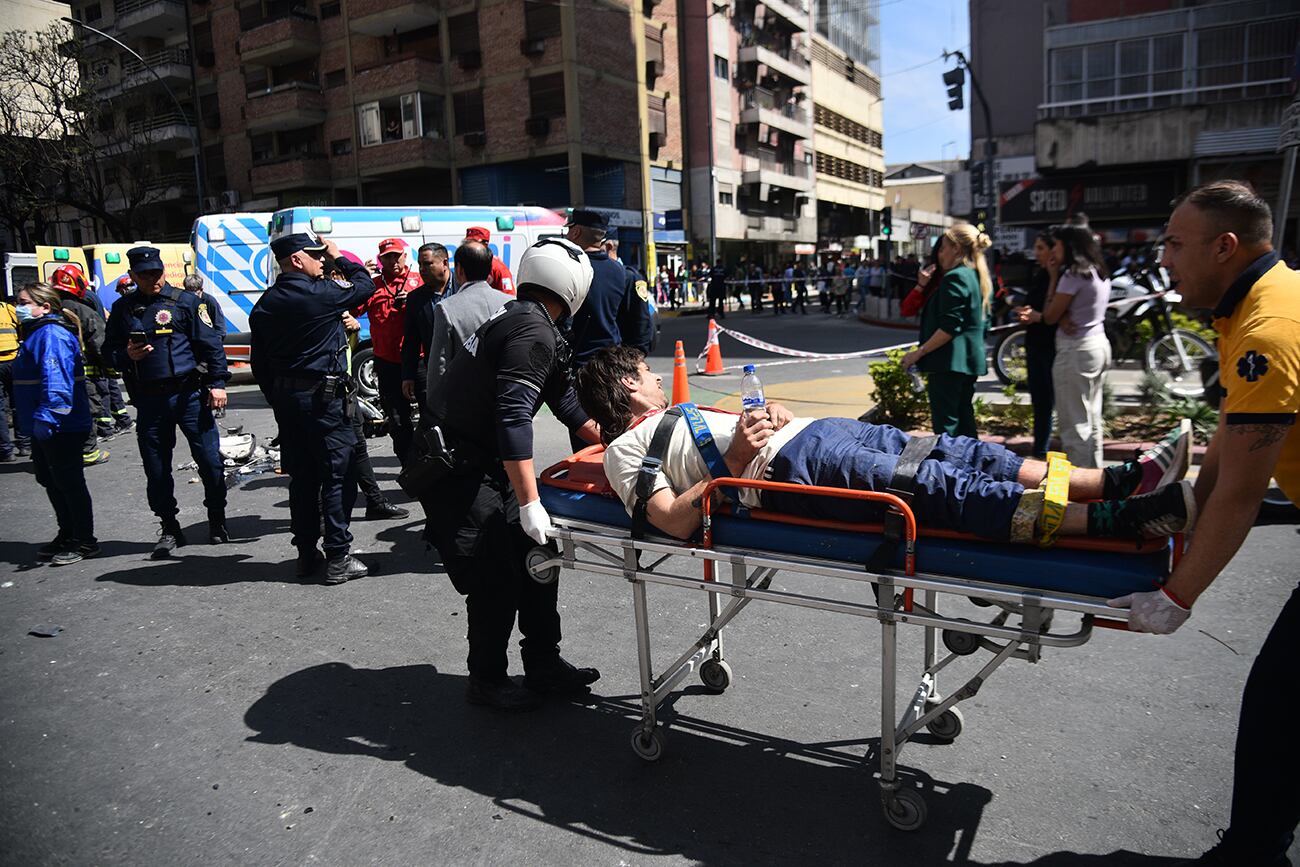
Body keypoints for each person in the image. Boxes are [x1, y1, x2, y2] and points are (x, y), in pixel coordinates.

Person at [1112, 182, 1299, 867]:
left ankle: (1252, 853)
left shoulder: (1267, 331)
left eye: (1175, 243)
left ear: (1226, 246)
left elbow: (1243, 494)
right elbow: (1224, 452)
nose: (1166, 260)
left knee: (1282, 699)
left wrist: (1177, 595)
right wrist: (1181, 506)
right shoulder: (1250, 305)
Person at [575, 346, 1195, 545]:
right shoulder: (625, 451)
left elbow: (725, 435)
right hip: (791, 467)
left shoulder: (677, 409)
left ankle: (1111, 481)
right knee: (932, 487)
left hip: (814, 435)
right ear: (628, 384)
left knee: (962, 453)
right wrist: (738, 460)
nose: (657, 374)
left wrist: (767, 416)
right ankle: (1117, 521)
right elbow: (669, 523)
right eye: (646, 371)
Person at [424, 237, 602, 712]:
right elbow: (512, 416)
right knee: (494, 574)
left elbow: (563, 398)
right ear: (573, 287)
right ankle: (486, 679)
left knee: (539, 558)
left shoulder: (525, 319)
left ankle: (544, 663)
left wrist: (608, 439)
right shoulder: (532, 330)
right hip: (463, 469)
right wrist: (529, 503)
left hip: (489, 464)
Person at [250, 233, 378, 583]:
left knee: (302, 479)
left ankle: (306, 554)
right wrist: (340, 256)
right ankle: (338, 557)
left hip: (289, 403)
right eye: (316, 256)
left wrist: (280, 400)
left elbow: (259, 364)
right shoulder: (318, 294)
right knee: (337, 475)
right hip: (323, 401)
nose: (322, 261)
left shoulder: (265, 304)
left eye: (324, 256)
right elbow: (364, 286)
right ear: (296, 260)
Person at [104, 246, 229, 557]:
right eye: (144, 274)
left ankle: (217, 518)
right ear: (132, 276)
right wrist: (125, 356)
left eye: (156, 273)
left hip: (189, 395)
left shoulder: (186, 302)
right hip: (149, 400)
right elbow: (106, 352)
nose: (152, 279)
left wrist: (217, 384)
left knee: (211, 462)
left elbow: (211, 344)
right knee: (156, 468)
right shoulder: (123, 309)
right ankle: (170, 526)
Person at [11, 283, 97, 566]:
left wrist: (48, 418)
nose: (18, 307)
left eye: (24, 302)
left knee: (69, 483)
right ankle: (67, 532)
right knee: (51, 480)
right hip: (45, 422)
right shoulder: (37, 333)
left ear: (45, 307)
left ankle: (83, 540)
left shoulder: (51, 335)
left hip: (61, 425)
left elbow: (56, 381)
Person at [1020, 225, 1110, 467]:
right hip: (1097, 344)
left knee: (1074, 425)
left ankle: (1082, 485)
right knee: (1091, 419)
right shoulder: (1097, 271)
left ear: (1069, 247)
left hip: (1075, 350)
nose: (1054, 250)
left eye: (1057, 245)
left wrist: (1052, 279)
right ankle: (1096, 476)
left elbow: (1049, 315)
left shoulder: (1072, 275)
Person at [901, 224, 991, 438]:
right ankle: (971, 469)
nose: (940, 254)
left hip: (948, 363)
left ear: (957, 249)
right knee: (965, 423)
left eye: (943, 248)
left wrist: (918, 353)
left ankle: (952, 469)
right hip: (966, 362)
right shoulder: (976, 275)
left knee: (947, 429)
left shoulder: (955, 277)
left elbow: (949, 327)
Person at [423, 241, 512, 412]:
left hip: (466, 403)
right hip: (505, 399)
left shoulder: (447, 307)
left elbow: (439, 365)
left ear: (459, 270)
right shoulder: (509, 302)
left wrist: (435, 409)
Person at [354, 238, 420, 465]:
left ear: (404, 256)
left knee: (432, 414)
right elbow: (352, 307)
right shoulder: (372, 285)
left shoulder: (418, 281)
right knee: (397, 418)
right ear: (380, 260)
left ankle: (431, 461)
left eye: (396, 255)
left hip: (418, 360)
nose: (392, 260)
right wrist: (360, 277)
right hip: (387, 361)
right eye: (387, 257)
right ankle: (408, 465)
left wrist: (413, 300)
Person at [566, 210, 653, 367]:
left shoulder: (568, 268)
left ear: (576, 232)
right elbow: (642, 324)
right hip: (612, 365)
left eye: (568, 230)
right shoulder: (625, 275)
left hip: (576, 364)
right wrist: (633, 361)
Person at [48, 265, 110, 465]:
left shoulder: (47, 309)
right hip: (82, 373)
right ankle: (88, 452)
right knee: (87, 410)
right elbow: (99, 343)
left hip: (53, 374)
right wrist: (110, 366)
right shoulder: (83, 311)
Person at [1015, 228, 1059, 459]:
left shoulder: (1060, 276)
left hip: (1053, 345)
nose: (1036, 253)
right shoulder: (1040, 274)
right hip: (1035, 341)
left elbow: (1053, 313)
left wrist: (1036, 316)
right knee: (1040, 400)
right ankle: (1040, 449)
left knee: (1053, 399)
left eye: (1041, 248)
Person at [400, 242, 451, 416]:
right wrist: (408, 376)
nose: (422, 269)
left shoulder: (463, 290)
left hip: (466, 372)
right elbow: (411, 341)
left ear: (445, 263)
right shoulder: (415, 299)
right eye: (420, 264)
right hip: (434, 374)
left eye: (428, 264)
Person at [463, 226, 515, 294]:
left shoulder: (498, 268)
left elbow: (509, 296)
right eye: (467, 243)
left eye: (473, 243)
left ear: (485, 244)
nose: (469, 246)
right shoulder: (464, 264)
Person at [0, 294, 18, 461]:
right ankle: (25, 443)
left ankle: (6, 450)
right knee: (18, 400)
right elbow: (22, 327)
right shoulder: (7, 308)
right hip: (12, 359)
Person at [182, 273, 226, 337]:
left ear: (201, 290)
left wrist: (215, 342)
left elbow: (220, 327)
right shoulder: (182, 301)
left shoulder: (210, 301)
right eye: (189, 294)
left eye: (195, 294)